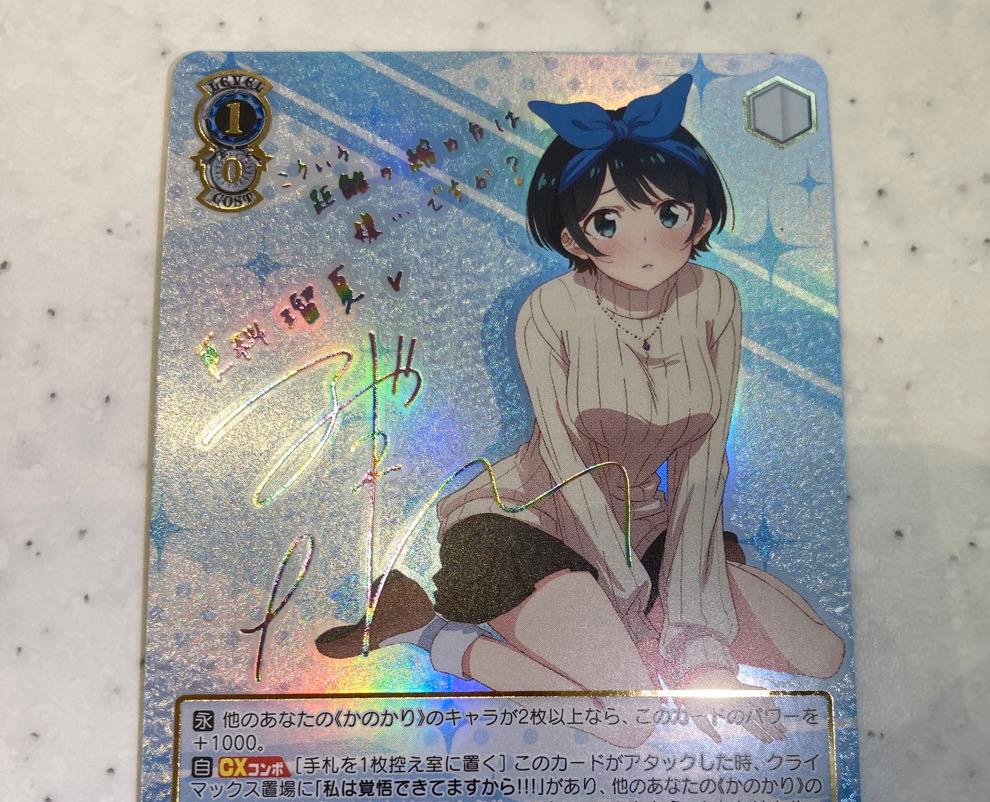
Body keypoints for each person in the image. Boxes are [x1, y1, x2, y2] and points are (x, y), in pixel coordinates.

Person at [317, 74, 843, 746]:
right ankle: (428, 632)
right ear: (573, 237)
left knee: (821, 655)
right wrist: (634, 608)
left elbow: (704, 462)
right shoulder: (551, 312)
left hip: (643, 523)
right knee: (631, 720)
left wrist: (697, 644)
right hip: (529, 522)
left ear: (702, 218)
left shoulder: (716, 299)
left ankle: (653, 628)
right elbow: (566, 464)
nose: (645, 245)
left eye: (668, 215)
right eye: (609, 222)